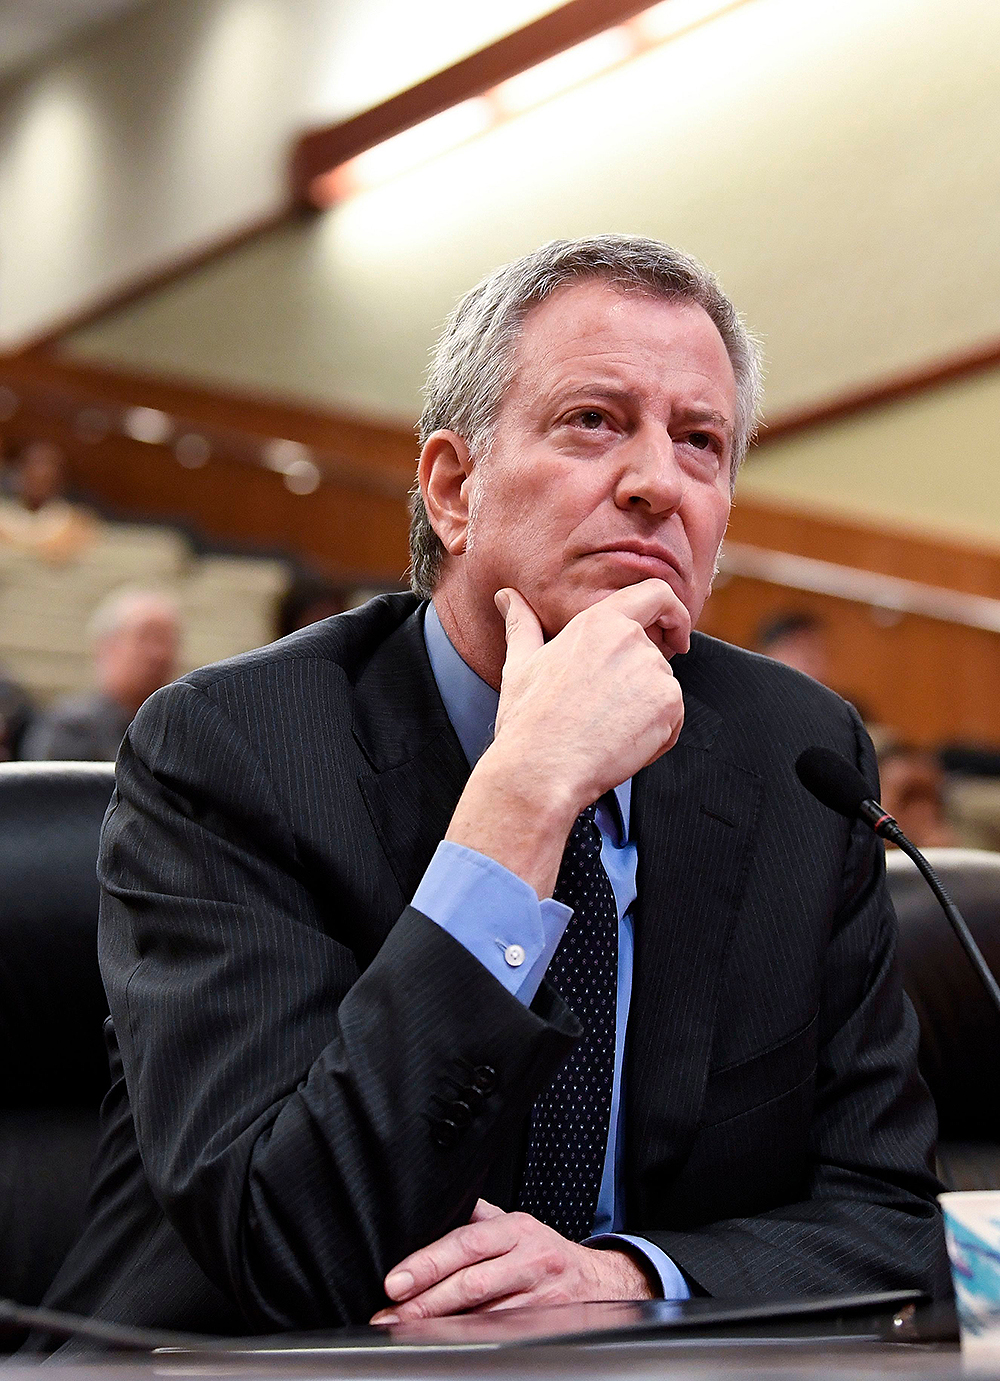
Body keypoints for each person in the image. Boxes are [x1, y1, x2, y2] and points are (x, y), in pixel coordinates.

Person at [37, 237, 949, 1342]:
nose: (658, 481)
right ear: (454, 488)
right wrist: (523, 798)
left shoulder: (794, 755)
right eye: (592, 422)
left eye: (700, 442)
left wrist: (623, 1278)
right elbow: (292, 1243)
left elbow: (894, 1218)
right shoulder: (233, 750)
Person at [21, 588, 180, 762]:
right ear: (107, 646)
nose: (158, 654)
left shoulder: (183, 733)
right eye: (145, 637)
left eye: (165, 640)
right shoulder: (72, 728)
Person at [0, 439, 95, 563]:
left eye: (45, 478)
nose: (38, 481)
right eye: (32, 473)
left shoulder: (78, 522)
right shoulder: (3, 520)